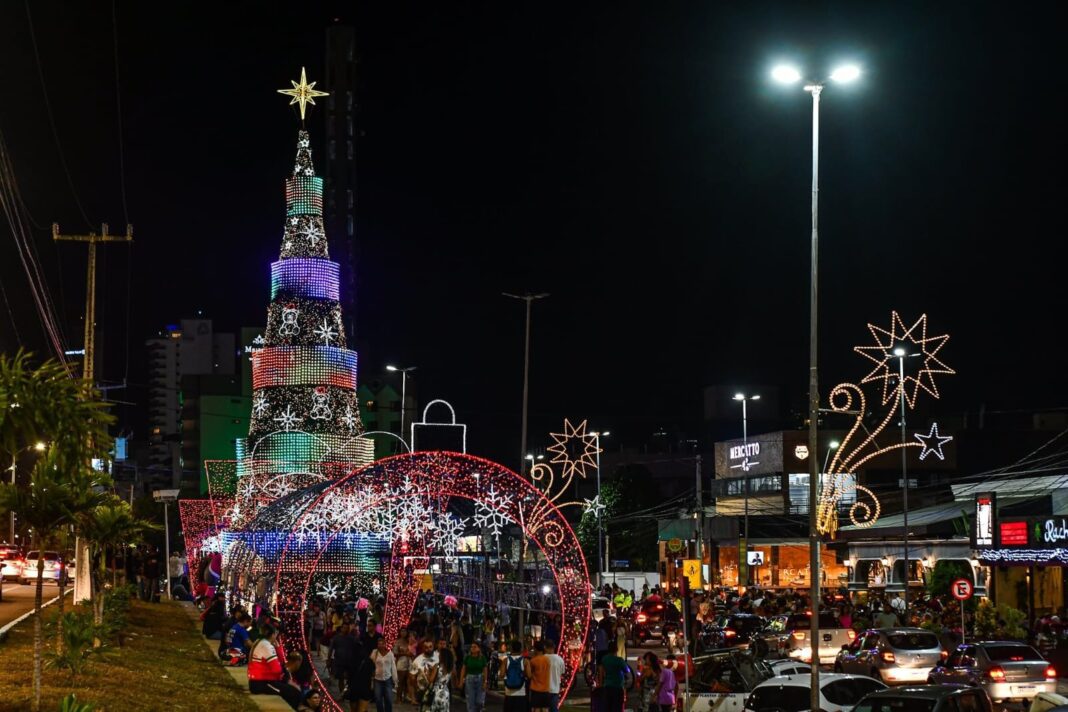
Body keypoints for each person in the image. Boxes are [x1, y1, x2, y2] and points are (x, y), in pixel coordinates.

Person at [249, 624, 303, 708]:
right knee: (294, 693)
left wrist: (277, 647)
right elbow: (277, 669)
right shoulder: (266, 646)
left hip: (260, 681)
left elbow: (280, 663)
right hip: (262, 683)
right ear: (273, 634)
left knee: (291, 691)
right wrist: (287, 681)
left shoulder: (260, 642)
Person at [597, 641, 627, 712]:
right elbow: (626, 670)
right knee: (617, 707)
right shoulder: (619, 660)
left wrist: (601, 684)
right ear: (616, 649)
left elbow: (601, 672)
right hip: (618, 686)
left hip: (608, 685)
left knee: (608, 707)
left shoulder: (604, 659)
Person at [500, 640, 529, 712]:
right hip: (521, 692)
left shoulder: (506, 660)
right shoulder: (525, 661)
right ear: (520, 649)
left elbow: (501, 675)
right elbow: (529, 675)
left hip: (509, 693)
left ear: (511, 649)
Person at [371, 636, 398, 712]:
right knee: (378, 699)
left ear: (385, 644)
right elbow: (371, 664)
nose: (380, 645)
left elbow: (393, 667)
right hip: (377, 679)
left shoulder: (390, 654)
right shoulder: (374, 652)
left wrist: (395, 680)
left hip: (387, 679)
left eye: (382, 644)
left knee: (389, 700)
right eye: (379, 644)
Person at [459, 641, 488, 712]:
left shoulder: (482, 658)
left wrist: (485, 681)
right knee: (470, 701)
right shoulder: (467, 657)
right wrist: (461, 681)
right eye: (471, 647)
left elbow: (485, 670)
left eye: (475, 647)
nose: (472, 648)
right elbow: (463, 669)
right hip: (470, 679)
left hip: (480, 678)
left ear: (479, 649)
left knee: (479, 701)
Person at [413, 638, 440, 709]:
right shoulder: (417, 660)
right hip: (422, 692)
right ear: (423, 648)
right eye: (426, 647)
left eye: (430, 646)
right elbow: (412, 676)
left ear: (433, 646)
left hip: (438, 692)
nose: (428, 649)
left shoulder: (439, 656)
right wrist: (417, 689)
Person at [543, 639, 566, 712]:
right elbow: (562, 673)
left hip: (543, 689)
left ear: (545, 647)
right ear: (554, 647)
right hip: (555, 689)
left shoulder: (542, 658)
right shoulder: (560, 659)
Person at [528, 641, 552, 712]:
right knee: (545, 709)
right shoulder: (547, 660)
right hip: (546, 689)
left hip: (536, 689)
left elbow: (529, 675)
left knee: (536, 709)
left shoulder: (533, 661)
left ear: (535, 649)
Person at [429, 647, 454, 712]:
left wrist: (427, 673)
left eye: (440, 654)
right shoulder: (451, 668)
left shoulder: (437, 666)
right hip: (446, 692)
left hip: (437, 691)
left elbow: (431, 680)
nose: (439, 656)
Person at [394, 628, 414, 703]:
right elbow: (395, 653)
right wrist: (405, 654)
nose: (403, 633)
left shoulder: (409, 641)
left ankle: (405, 697)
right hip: (401, 663)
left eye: (405, 631)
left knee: (407, 682)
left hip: (409, 663)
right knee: (400, 681)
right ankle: (398, 698)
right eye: (402, 631)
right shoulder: (397, 642)